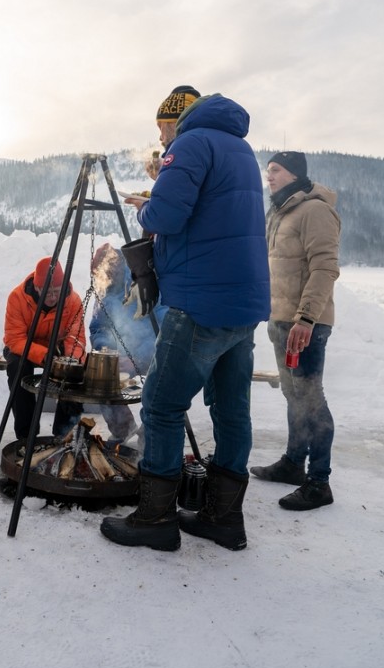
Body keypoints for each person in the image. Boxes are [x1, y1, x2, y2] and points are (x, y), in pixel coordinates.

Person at [100, 90, 270, 552]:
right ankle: (223, 518)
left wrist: (145, 206)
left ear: (180, 120)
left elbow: (168, 216)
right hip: (243, 302)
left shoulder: (190, 145)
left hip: (202, 300)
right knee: (232, 410)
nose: (159, 136)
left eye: (162, 126)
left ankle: (155, 518)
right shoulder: (240, 148)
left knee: (160, 404)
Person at [250, 151, 340, 510]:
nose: (269, 176)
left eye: (276, 170)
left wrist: (306, 319)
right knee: (293, 394)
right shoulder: (280, 211)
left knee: (310, 399)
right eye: (268, 170)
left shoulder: (315, 211)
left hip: (307, 323)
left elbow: (325, 268)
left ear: (294, 174)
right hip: (282, 319)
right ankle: (292, 464)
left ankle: (319, 481)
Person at [3, 257, 87, 443]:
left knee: (76, 371)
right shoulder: (17, 298)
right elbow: (14, 338)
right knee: (17, 367)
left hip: (58, 348)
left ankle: (63, 433)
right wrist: (43, 356)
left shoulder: (72, 301)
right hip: (24, 347)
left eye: (56, 292)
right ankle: (26, 433)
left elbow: (76, 338)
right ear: (37, 286)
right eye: (46, 292)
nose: (52, 297)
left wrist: (71, 361)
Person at [89, 243, 166, 441]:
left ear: (114, 267)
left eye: (104, 274)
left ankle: (149, 433)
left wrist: (137, 358)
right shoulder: (103, 287)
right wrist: (108, 352)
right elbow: (98, 327)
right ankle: (123, 429)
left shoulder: (141, 280)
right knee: (102, 377)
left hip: (152, 352)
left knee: (161, 383)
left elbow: (165, 329)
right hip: (122, 355)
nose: (102, 279)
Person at [143, 85, 201, 181]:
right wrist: (166, 170)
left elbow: (175, 193)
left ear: (173, 125)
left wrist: (166, 174)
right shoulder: (208, 141)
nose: (160, 138)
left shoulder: (189, 148)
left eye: (161, 128)